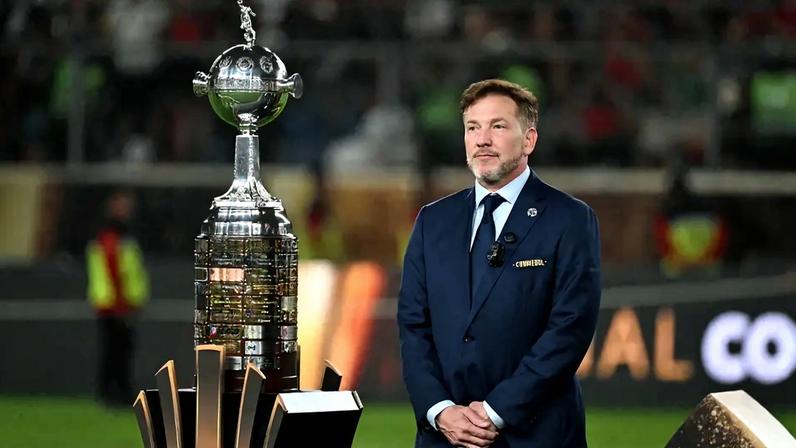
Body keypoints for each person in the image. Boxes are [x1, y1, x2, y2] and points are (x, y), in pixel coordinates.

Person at [398, 79, 601, 447]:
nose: (482, 139)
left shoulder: (570, 219)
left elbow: (569, 329)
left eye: (498, 126)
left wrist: (494, 412)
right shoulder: (433, 221)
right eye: (472, 127)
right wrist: (440, 410)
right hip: (445, 436)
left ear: (529, 140)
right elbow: (414, 327)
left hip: (536, 435)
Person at [86, 190, 149, 406]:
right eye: (122, 206)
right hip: (115, 305)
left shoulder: (116, 238)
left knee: (117, 350)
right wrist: (123, 305)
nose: (127, 211)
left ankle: (112, 393)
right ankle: (115, 393)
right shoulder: (112, 239)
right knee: (117, 351)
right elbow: (115, 273)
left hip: (115, 304)